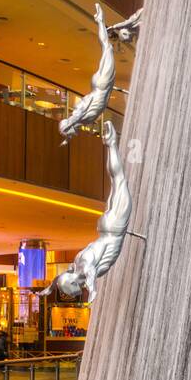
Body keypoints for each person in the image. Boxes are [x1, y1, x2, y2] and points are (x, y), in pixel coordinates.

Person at [43, 121, 136, 303]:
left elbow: (90, 271)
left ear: (72, 282)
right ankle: (111, 144)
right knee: (116, 180)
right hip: (107, 227)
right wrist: (49, 288)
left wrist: (93, 291)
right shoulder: (76, 263)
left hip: (115, 227)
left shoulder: (83, 265)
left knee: (119, 180)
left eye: (68, 291)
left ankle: (111, 144)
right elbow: (64, 277)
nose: (70, 294)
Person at [59, 4, 116, 138]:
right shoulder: (83, 119)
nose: (72, 136)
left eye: (69, 134)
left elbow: (85, 104)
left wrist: (69, 126)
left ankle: (100, 20)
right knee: (106, 47)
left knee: (107, 47)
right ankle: (100, 21)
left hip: (102, 85)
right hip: (98, 85)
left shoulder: (80, 117)